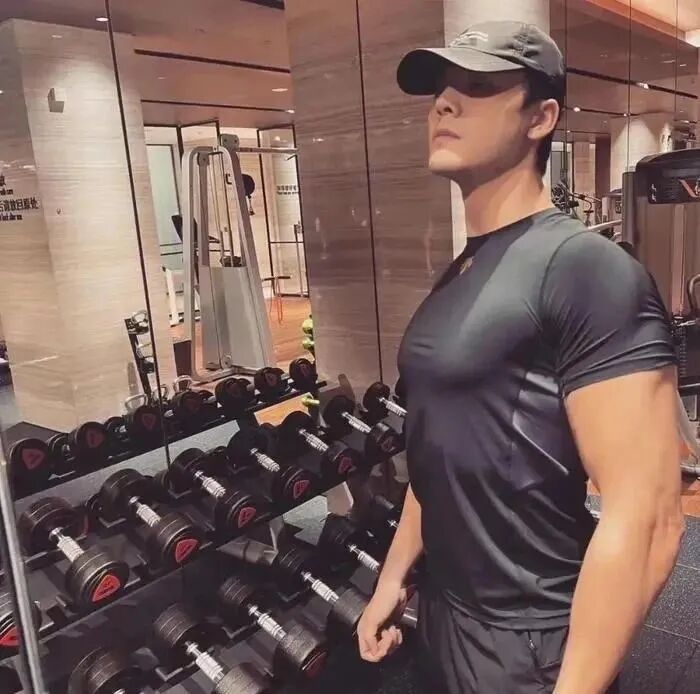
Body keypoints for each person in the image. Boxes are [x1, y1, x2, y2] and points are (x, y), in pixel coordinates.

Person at [356, 20, 684, 694]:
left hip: (527, 641)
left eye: (477, 86)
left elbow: (650, 517)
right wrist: (393, 576)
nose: (444, 103)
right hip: (445, 614)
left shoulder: (584, 268)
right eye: (440, 89)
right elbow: (442, 449)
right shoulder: (464, 270)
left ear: (541, 118)